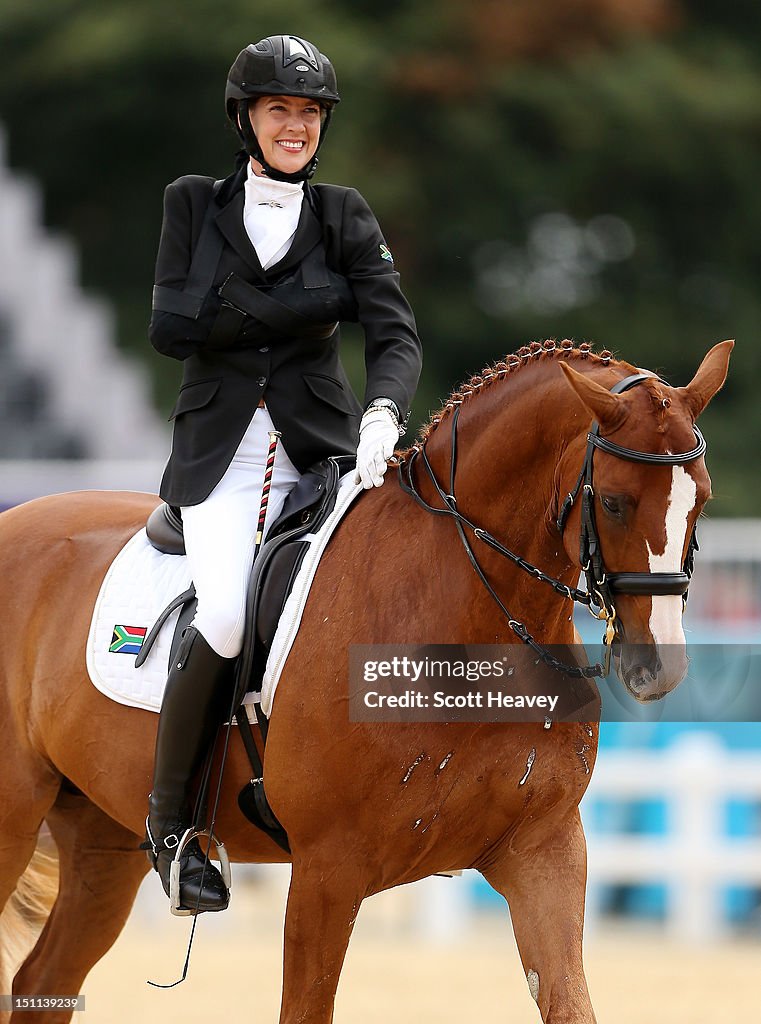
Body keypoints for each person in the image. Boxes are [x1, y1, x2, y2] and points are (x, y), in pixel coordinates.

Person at [142, 33, 422, 913]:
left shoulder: (345, 214)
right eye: (279, 110)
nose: (294, 126)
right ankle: (172, 830)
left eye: (308, 113)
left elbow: (394, 333)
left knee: (348, 609)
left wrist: (382, 411)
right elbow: (170, 328)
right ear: (246, 118)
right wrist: (311, 303)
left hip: (321, 448)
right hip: (220, 453)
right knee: (226, 611)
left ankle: (296, 782)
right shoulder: (193, 203)